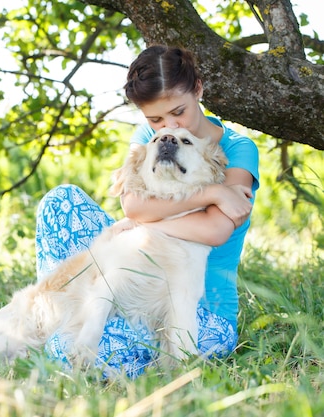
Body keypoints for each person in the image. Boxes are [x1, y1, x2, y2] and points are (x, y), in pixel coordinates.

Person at [35, 45, 260, 378]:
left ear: (198, 89)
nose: (167, 127)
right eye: (155, 119)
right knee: (61, 200)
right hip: (134, 281)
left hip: (202, 312)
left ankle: (66, 341)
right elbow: (133, 204)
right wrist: (214, 192)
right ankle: (54, 314)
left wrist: (143, 221)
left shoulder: (239, 149)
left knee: (100, 351)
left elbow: (215, 230)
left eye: (178, 112)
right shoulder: (148, 138)